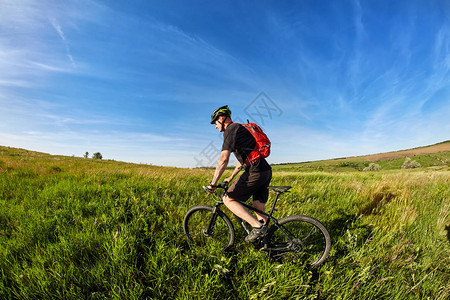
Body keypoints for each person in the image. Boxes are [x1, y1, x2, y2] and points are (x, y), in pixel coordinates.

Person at [207, 105, 272, 243]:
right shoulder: (240, 128)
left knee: (228, 199)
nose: (215, 126)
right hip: (264, 169)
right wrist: (231, 177)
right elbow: (244, 159)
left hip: (255, 170)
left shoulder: (230, 129)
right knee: (259, 209)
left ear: (221, 119)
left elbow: (223, 159)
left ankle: (257, 228)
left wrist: (213, 184)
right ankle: (266, 242)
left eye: (215, 123)